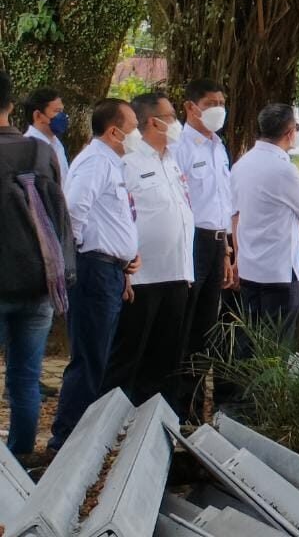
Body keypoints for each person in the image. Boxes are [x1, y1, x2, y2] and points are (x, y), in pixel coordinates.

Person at [49, 98, 140, 451]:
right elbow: (73, 211)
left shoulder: (114, 163)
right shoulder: (95, 161)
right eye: (133, 126)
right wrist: (85, 254)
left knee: (100, 356)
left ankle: (83, 437)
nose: (138, 133)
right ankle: (66, 439)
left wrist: (124, 263)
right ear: (115, 131)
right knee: (89, 357)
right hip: (93, 270)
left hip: (111, 270)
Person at [100, 93, 193, 408]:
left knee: (166, 358)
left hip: (176, 273)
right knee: (128, 355)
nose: (176, 121)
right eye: (171, 115)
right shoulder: (128, 161)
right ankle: (109, 421)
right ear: (154, 121)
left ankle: (154, 423)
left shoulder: (171, 160)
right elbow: (118, 217)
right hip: (141, 278)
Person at [0, 72, 74, 456]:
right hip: (38, 284)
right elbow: (59, 214)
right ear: (12, 107)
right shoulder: (40, 152)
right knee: (26, 380)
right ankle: (21, 458)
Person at [230, 104, 299, 344]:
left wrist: (238, 257)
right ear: (290, 132)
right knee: (276, 346)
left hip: (250, 265)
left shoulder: (242, 164)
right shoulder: (284, 170)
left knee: (250, 341)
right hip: (279, 270)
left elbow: (235, 214)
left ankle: (248, 381)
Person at [171, 79, 232, 423]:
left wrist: (226, 251)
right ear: (191, 108)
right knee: (185, 323)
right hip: (191, 240)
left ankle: (194, 406)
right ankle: (177, 404)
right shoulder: (181, 146)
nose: (218, 109)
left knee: (205, 328)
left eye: (221, 102)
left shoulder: (218, 146)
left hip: (216, 241)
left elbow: (223, 203)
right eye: (210, 103)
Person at [23, 87, 70, 184]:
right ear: (38, 115)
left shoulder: (57, 143)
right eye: (57, 111)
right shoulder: (29, 148)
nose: (63, 116)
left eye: (62, 111)